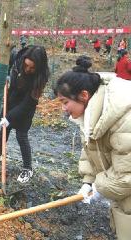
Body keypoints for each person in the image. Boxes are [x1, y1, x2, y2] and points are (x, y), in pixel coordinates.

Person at [55, 56, 131, 240]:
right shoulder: (90, 115)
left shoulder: (122, 117)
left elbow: (127, 176)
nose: (63, 109)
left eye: (65, 102)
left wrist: (100, 186)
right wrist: (88, 182)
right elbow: (92, 149)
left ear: (83, 95)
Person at [0, 45, 50, 183]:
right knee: (4, 129)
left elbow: (29, 102)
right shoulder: (18, 60)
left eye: (32, 68)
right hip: (12, 98)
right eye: (26, 65)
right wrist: (4, 112)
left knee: (21, 135)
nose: (28, 69)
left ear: (39, 67)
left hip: (26, 106)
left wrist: (10, 117)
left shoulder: (41, 77)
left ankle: (27, 168)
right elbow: (9, 64)